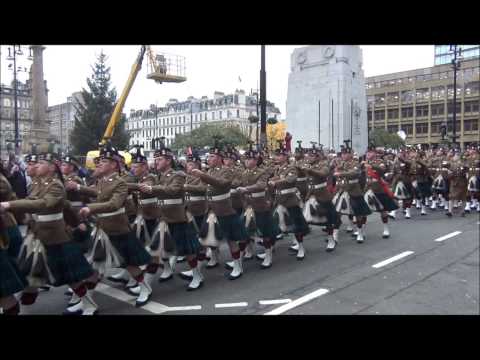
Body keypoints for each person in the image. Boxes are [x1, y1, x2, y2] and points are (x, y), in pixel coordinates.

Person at [1, 152, 98, 315]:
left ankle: (90, 305)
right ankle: (19, 299)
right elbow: (34, 204)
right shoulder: (36, 184)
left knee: (70, 277)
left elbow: (45, 203)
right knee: (29, 268)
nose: (36, 165)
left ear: (52, 167)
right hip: (38, 235)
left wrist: (9, 205)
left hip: (55, 237)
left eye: (41, 163)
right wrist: (25, 217)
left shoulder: (56, 185)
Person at [77, 142, 152, 307]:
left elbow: (114, 204)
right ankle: (87, 302)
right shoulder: (101, 181)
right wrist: (79, 188)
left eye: (103, 162)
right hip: (102, 229)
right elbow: (97, 193)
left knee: (129, 262)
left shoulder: (120, 182)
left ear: (113, 165)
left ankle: (144, 288)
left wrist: (91, 208)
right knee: (95, 265)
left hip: (118, 228)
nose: (99, 164)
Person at [139, 144, 204, 290]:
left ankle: (197, 275)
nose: (156, 162)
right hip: (163, 219)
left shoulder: (178, 175)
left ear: (168, 160)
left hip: (177, 218)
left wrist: (152, 189)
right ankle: (145, 285)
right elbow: (150, 185)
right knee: (155, 251)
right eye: (155, 159)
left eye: (160, 159)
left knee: (188, 252)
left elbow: (173, 190)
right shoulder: (158, 177)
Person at [190, 140, 247, 280]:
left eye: (212, 157)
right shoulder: (209, 171)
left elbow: (222, 184)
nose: (209, 159)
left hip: (224, 209)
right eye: (208, 157)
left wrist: (202, 175)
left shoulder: (226, 171)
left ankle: (237, 267)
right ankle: (196, 271)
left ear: (220, 158)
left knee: (231, 240)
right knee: (203, 240)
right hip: (210, 210)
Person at [270, 142, 310, 259]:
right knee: (273, 223)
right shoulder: (278, 168)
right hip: (279, 199)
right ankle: (269, 248)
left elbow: (290, 179)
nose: (277, 157)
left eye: (280, 155)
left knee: (297, 225)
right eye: (277, 155)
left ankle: (301, 247)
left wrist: (276, 181)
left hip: (290, 200)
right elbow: (277, 177)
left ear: (286, 157)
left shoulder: (291, 167)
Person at [301, 144, 341, 251]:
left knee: (329, 219)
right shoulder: (307, 165)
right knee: (303, 219)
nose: (310, 157)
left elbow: (323, 174)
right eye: (309, 155)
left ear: (318, 156)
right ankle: (299, 244)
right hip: (311, 195)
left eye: (313, 156)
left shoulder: (323, 164)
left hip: (322, 195)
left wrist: (310, 170)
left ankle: (331, 240)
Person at [333, 145, 372, 243]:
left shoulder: (356, 163)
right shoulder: (341, 163)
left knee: (358, 213)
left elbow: (354, 173)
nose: (343, 155)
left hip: (354, 190)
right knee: (338, 213)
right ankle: (335, 235)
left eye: (346, 153)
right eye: (342, 153)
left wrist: (341, 174)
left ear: (350, 154)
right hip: (343, 190)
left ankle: (359, 232)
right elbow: (335, 172)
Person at [363, 148, 399, 239]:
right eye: (367, 152)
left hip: (378, 189)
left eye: (370, 152)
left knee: (383, 211)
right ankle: (361, 230)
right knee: (364, 211)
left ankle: (386, 229)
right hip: (368, 189)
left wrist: (371, 166)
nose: (368, 154)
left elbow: (381, 170)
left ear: (374, 154)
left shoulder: (380, 162)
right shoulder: (364, 163)